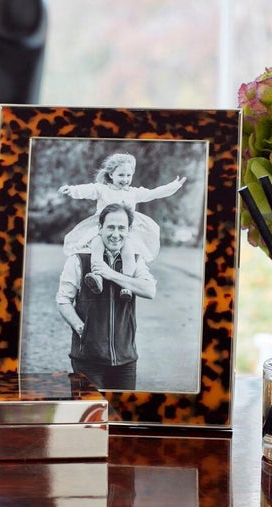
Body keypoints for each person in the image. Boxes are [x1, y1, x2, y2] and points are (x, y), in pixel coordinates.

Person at [58, 152, 185, 300]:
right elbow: (87, 190)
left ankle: (127, 285)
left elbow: (154, 193)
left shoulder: (133, 193)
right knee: (97, 244)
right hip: (102, 229)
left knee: (128, 250)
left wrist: (174, 186)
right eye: (121, 175)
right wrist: (71, 190)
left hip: (124, 231)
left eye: (128, 175)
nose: (125, 179)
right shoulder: (102, 189)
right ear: (111, 174)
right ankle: (97, 276)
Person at [56, 203, 156, 390]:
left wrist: (110, 274)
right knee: (90, 409)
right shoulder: (79, 260)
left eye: (121, 228)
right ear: (100, 228)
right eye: (111, 227)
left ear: (129, 231)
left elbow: (150, 290)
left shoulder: (135, 260)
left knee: (122, 409)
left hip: (126, 359)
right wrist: (81, 328)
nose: (115, 234)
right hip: (87, 360)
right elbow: (63, 300)